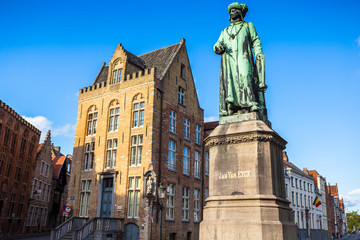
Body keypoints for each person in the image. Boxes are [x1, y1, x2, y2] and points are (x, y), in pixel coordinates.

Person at [214, 2, 267, 117]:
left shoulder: (248, 26)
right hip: (229, 61)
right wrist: (217, 48)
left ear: (240, 12)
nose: (232, 12)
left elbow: (255, 41)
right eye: (230, 11)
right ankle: (232, 106)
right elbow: (217, 45)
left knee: (246, 76)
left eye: (235, 10)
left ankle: (251, 102)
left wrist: (258, 53)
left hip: (244, 57)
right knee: (231, 82)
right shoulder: (225, 31)